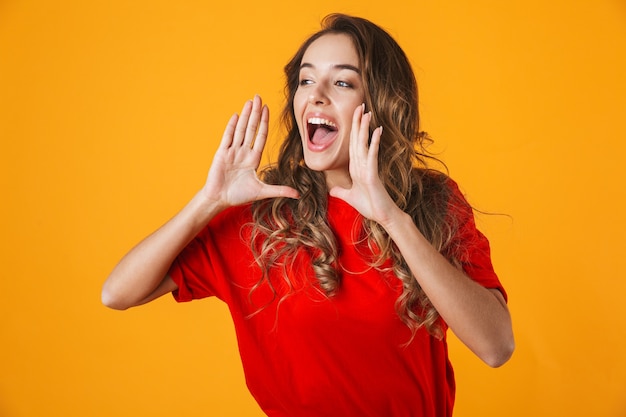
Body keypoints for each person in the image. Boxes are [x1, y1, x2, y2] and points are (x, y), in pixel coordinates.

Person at [102, 13, 514, 417]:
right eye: (305, 80)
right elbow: (117, 293)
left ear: (381, 103)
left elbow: (496, 346)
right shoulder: (260, 218)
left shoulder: (432, 201)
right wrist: (208, 201)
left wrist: (393, 219)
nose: (316, 95)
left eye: (342, 82)